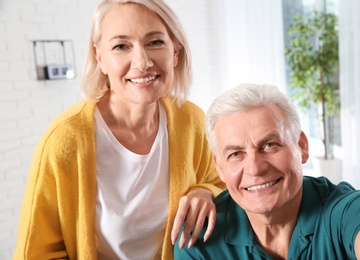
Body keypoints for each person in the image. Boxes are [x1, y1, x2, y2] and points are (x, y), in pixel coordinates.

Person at [13, 0, 225, 259]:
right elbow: (36, 253)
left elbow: (220, 182)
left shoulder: (190, 119)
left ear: (176, 52)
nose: (142, 62)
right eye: (121, 46)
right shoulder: (64, 140)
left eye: (155, 42)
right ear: (99, 57)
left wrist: (204, 191)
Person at [174, 83, 360, 259]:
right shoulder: (198, 238)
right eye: (236, 154)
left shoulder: (345, 211)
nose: (255, 168)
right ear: (219, 167)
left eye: (269, 145)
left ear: (302, 146)